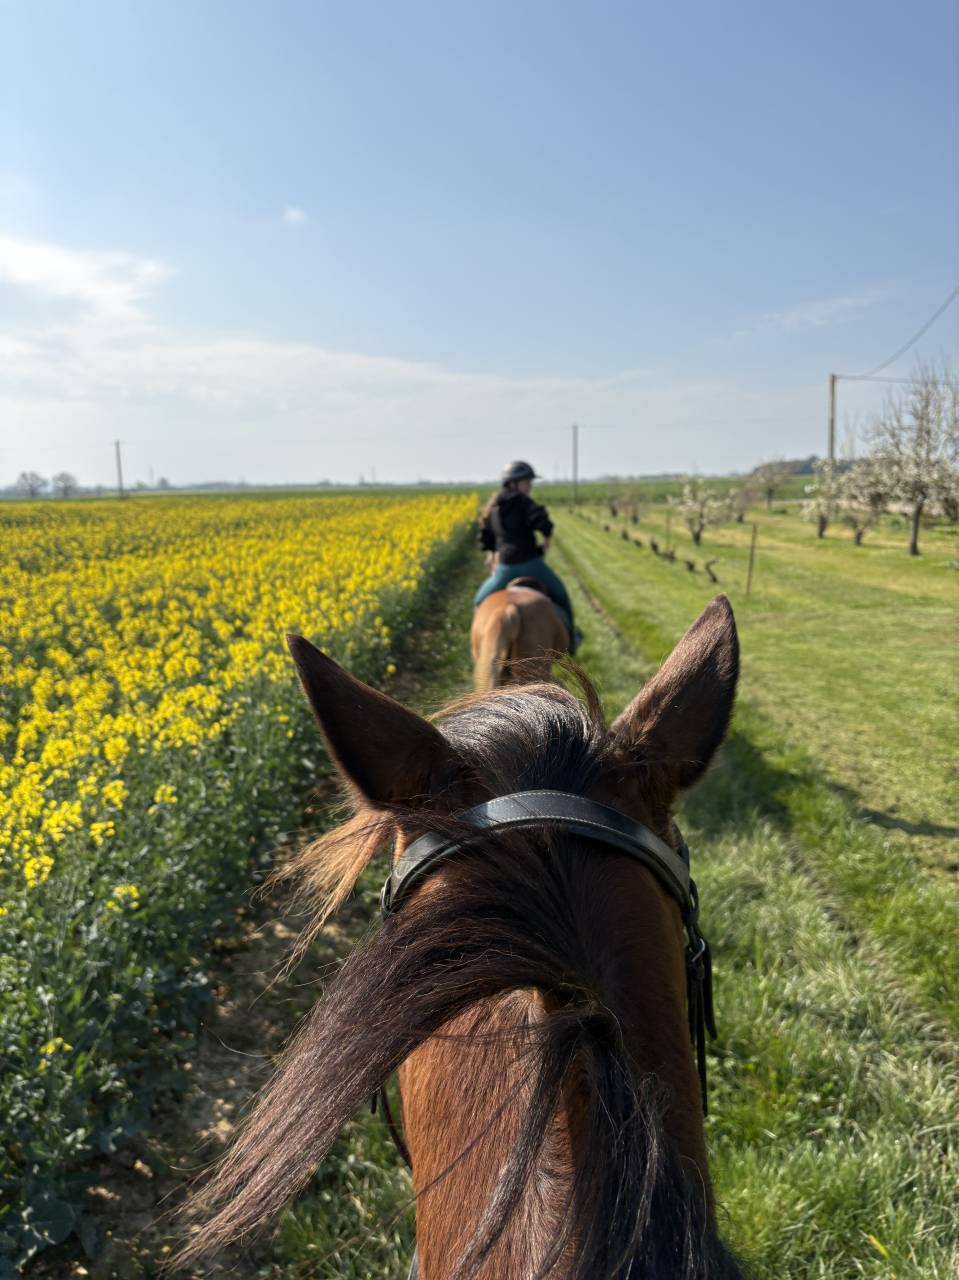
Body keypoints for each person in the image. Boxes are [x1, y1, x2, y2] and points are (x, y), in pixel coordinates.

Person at [474, 460, 579, 650]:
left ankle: (479, 645)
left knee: (480, 600)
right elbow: (542, 521)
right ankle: (571, 641)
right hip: (531, 564)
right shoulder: (524, 502)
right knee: (561, 595)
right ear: (514, 483)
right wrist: (546, 540)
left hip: (504, 569)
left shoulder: (494, 507)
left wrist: (491, 554)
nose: (530, 486)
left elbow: (487, 536)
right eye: (527, 482)